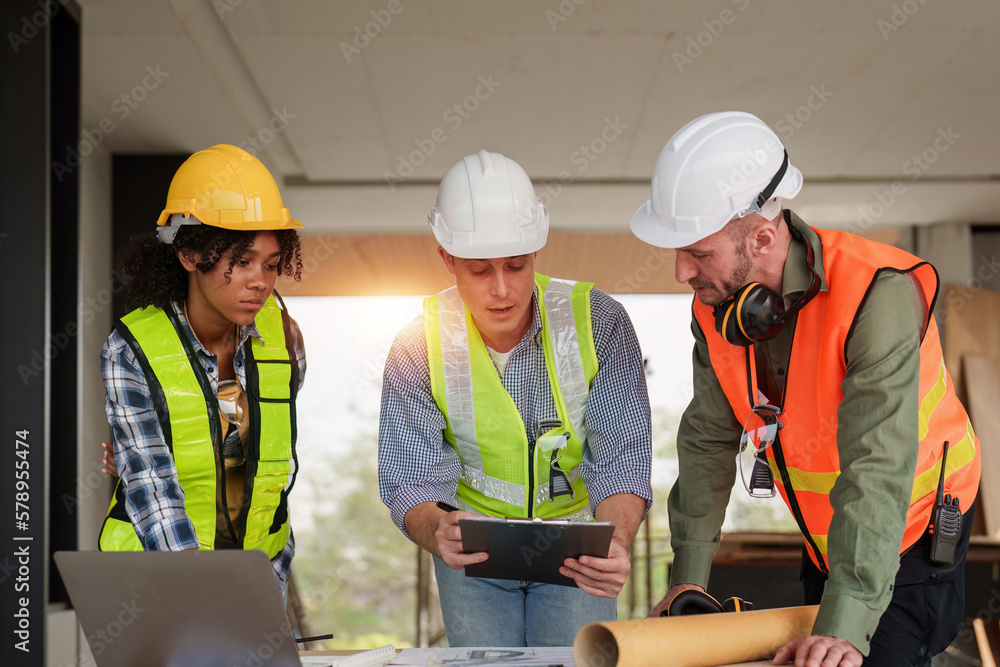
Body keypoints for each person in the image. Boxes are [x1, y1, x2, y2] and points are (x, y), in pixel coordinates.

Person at [632, 112, 981, 667]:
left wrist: (844, 627)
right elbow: (705, 442)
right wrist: (686, 581)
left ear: (763, 237)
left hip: (909, 529)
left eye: (698, 253)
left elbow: (877, 464)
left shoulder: (877, 296)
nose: (680, 272)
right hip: (829, 534)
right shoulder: (719, 310)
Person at [378, 150, 652, 647]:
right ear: (447, 258)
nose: (502, 289)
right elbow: (407, 477)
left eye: (516, 265)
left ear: (537, 252)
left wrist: (615, 541)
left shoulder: (600, 323)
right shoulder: (418, 345)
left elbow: (623, 459)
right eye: (480, 269)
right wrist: (434, 527)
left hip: (576, 551)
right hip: (475, 560)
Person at [98, 144, 306, 600]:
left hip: (258, 576)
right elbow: (153, 487)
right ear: (190, 255)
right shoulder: (131, 350)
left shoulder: (284, 337)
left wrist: (261, 589)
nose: (261, 281)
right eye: (242, 261)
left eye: (271, 264)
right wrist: (199, 594)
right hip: (158, 583)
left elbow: (267, 460)